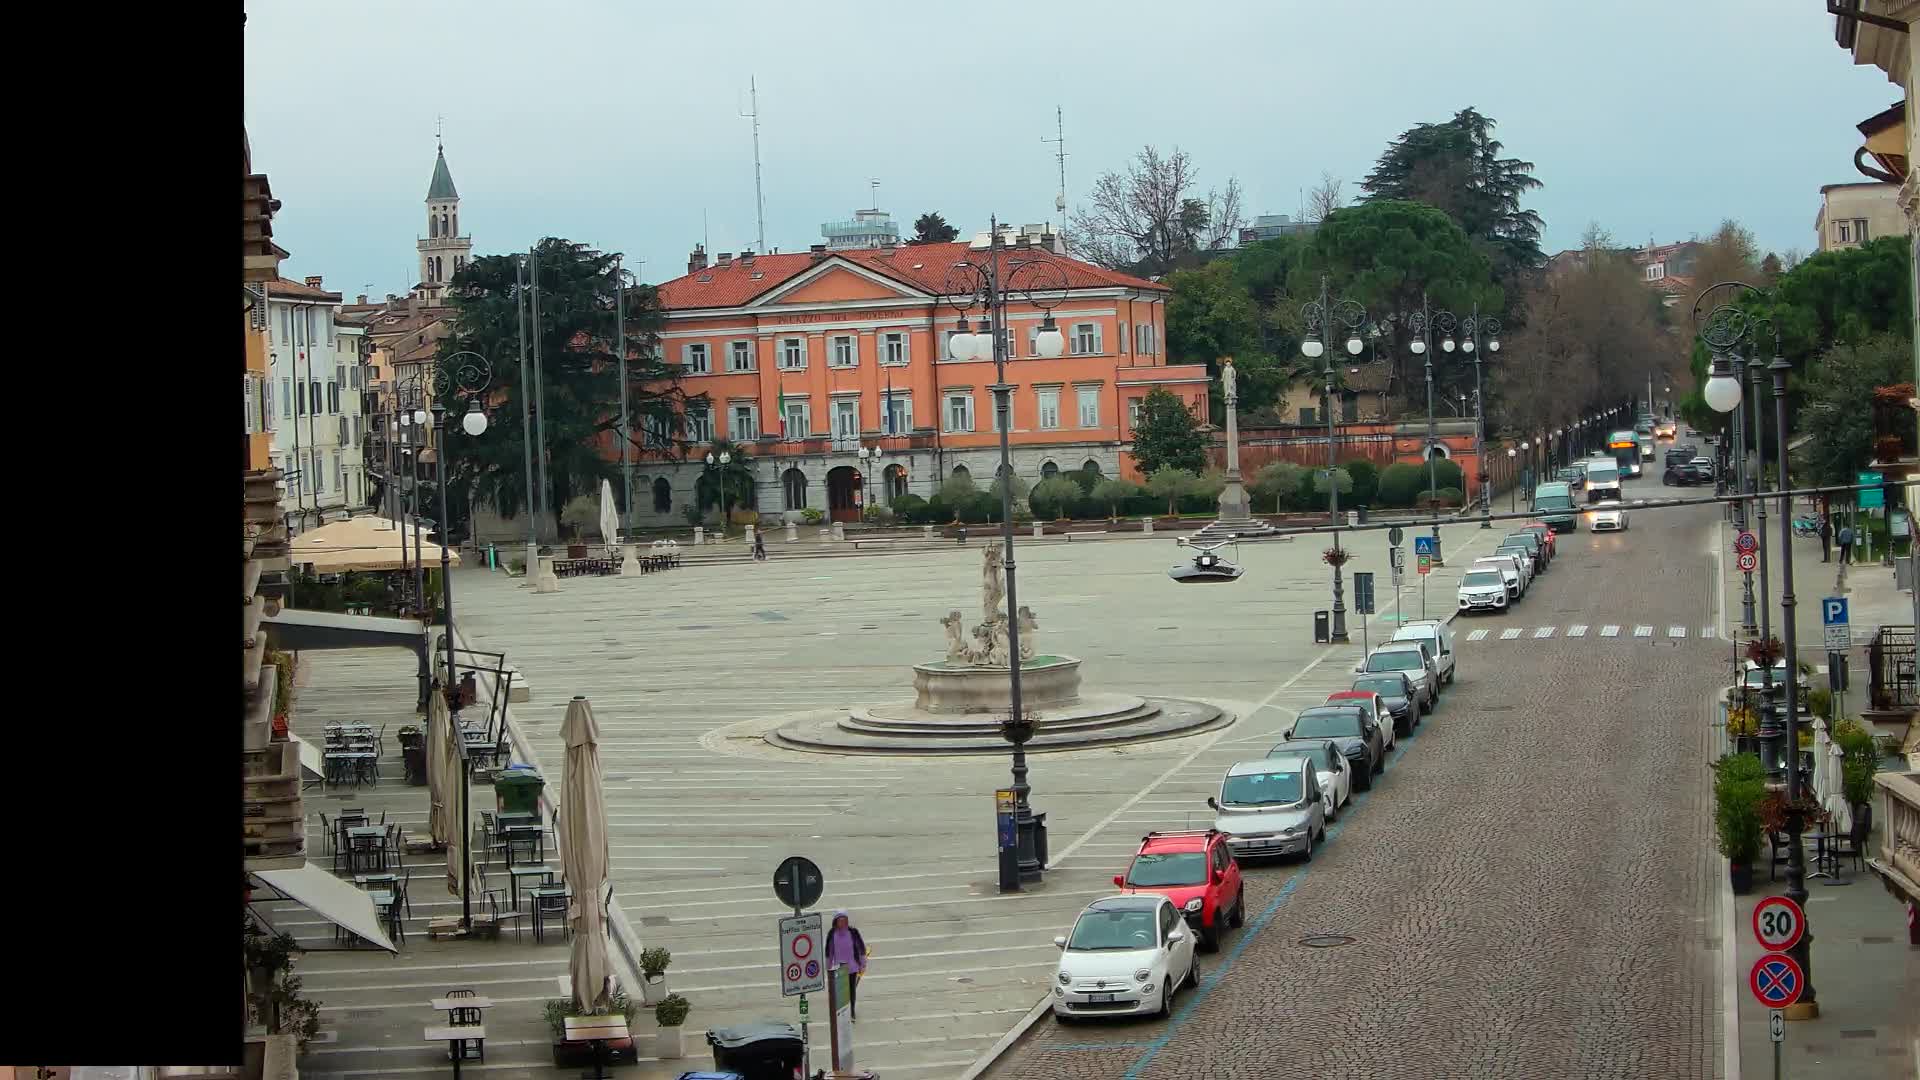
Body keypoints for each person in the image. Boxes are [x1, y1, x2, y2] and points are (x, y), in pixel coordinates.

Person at [825, 909, 867, 1020]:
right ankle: (842, 1014)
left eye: (844, 920)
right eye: (840, 920)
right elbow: (829, 952)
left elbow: (861, 948)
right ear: (835, 921)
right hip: (839, 969)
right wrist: (828, 967)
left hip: (852, 968)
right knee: (841, 994)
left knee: (852, 992)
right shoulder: (832, 934)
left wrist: (863, 964)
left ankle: (851, 1012)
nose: (842, 922)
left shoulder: (853, 932)